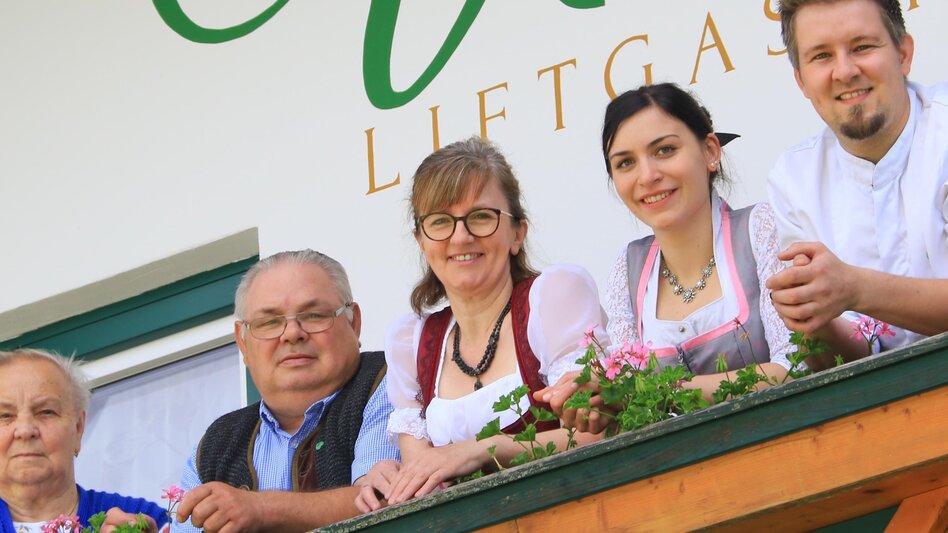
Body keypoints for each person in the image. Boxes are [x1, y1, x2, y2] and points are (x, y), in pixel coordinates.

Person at [355, 137, 608, 512]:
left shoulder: (554, 298)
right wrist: (386, 483)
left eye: (481, 217)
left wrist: (476, 452)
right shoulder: (411, 344)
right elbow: (423, 476)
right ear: (422, 241)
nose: (461, 236)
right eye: (440, 221)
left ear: (517, 233)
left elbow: (599, 433)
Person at [538, 83, 798, 433]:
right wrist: (598, 402)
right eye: (626, 162)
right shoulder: (628, 269)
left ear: (710, 151)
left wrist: (652, 391)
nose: (647, 176)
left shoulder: (759, 228)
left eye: (664, 150)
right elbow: (632, 407)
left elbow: (796, 365)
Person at [766, 0, 948, 369]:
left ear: (903, 53)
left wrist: (855, 289)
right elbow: (843, 364)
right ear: (800, 80)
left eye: (862, 47)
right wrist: (815, 321)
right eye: (821, 56)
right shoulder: (793, 180)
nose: (845, 71)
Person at [172, 250, 400, 532]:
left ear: (354, 323)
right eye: (269, 322)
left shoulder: (391, 381)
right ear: (242, 343)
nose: (292, 333)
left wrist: (260, 509)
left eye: (314, 315)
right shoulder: (214, 446)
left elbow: (384, 506)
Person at [0, 348, 168, 533]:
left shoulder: (142, 519)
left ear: (78, 428)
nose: (25, 430)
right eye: (5, 415)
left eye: (46, 412)